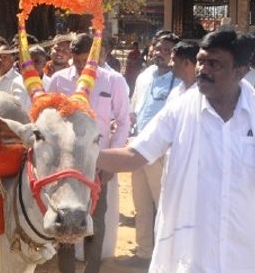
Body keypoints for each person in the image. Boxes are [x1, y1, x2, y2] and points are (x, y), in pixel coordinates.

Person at [97, 28, 255, 272]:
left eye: (215, 64)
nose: (204, 70)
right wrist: (82, 156)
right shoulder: (180, 108)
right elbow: (134, 155)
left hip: (243, 253)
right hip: (190, 253)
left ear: (241, 71)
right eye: (201, 61)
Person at [47, 33, 131, 273]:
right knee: (65, 217)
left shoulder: (113, 80)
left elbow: (124, 121)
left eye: (87, 60)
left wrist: (111, 162)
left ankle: (92, 269)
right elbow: (48, 119)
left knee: (95, 219)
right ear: (71, 56)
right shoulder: (58, 80)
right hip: (65, 165)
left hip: (97, 164)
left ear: (96, 56)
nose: (82, 66)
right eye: (77, 61)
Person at [126, 32, 180, 267]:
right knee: (141, 204)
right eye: (158, 48)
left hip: (161, 153)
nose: (161, 53)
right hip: (137, 148)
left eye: (167, 50)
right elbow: (134, 109)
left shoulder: (180, 82)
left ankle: (165, 256)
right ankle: (143, 253)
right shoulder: (144, 76)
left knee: (163, 206)